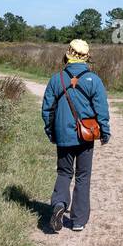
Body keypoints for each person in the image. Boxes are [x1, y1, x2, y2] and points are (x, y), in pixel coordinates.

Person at [40, 39, 111, 232]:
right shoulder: (94, 80)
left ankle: (59, 205)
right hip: (85, 136)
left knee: (64, 172)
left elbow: (47, 110)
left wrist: (51, 131)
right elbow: (102, 110)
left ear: (68, 54)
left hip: (63, 134)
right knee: (83, 175)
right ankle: (78, 220)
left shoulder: (56, 79)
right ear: (87, 57)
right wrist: (104, 131)